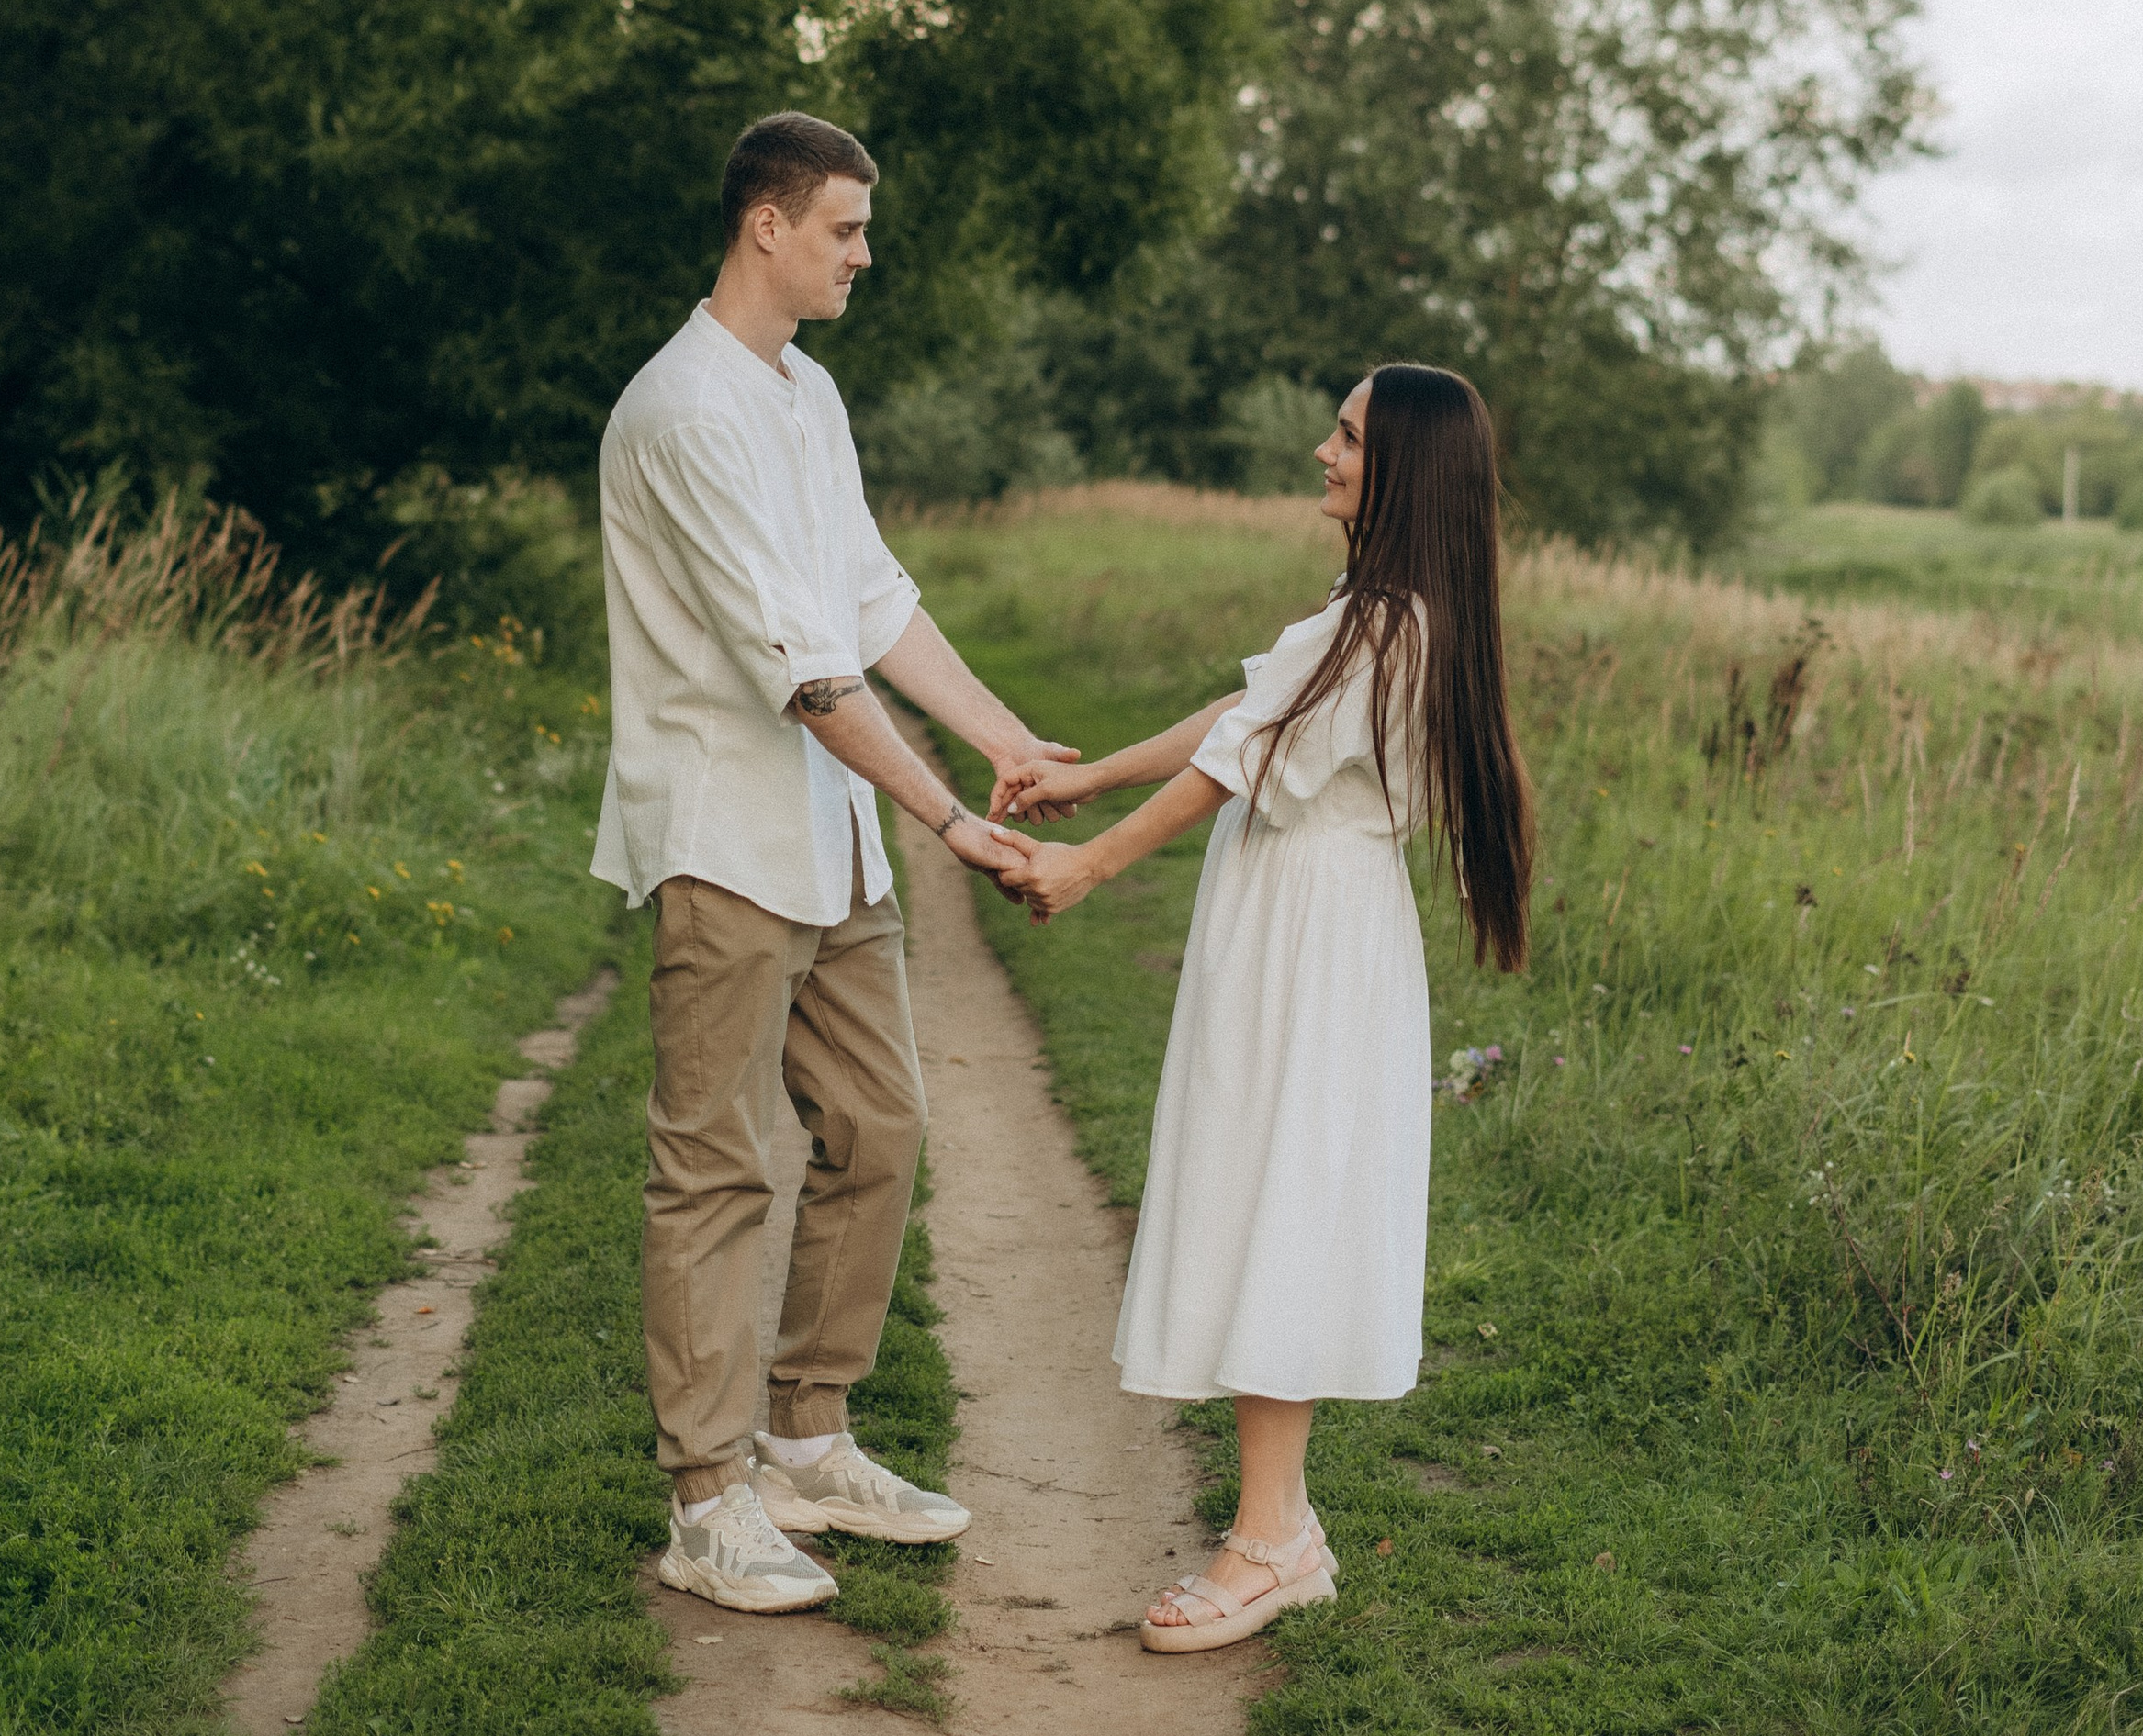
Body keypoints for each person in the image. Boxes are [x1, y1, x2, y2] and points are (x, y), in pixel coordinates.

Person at [593, 110, 1058, 1615]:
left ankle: (807, 1436)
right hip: (726, 835)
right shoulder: (681, 412)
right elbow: (801, 670)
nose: (867, 253)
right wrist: (949, 820)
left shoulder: (811, 396)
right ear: (766, 228)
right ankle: (707, 1497)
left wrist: (1009, 741)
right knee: (717, 1166)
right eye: (846, 229)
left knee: (879, 1126)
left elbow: (869, 602)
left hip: (830, 840)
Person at [993, 364, 1533, 1650]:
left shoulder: (1394, 623)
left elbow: (1239, 766)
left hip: (1313, 935)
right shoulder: (1377, 612)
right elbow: (1243, 712)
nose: (1321, 452)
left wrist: (1089, 864)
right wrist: (1093, 777)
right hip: (1304, 924)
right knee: (1260, 1188)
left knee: (1278, 1200)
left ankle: (1273, 1541)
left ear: (1399, 467)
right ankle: (1275, 1527)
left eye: (1345, 438)